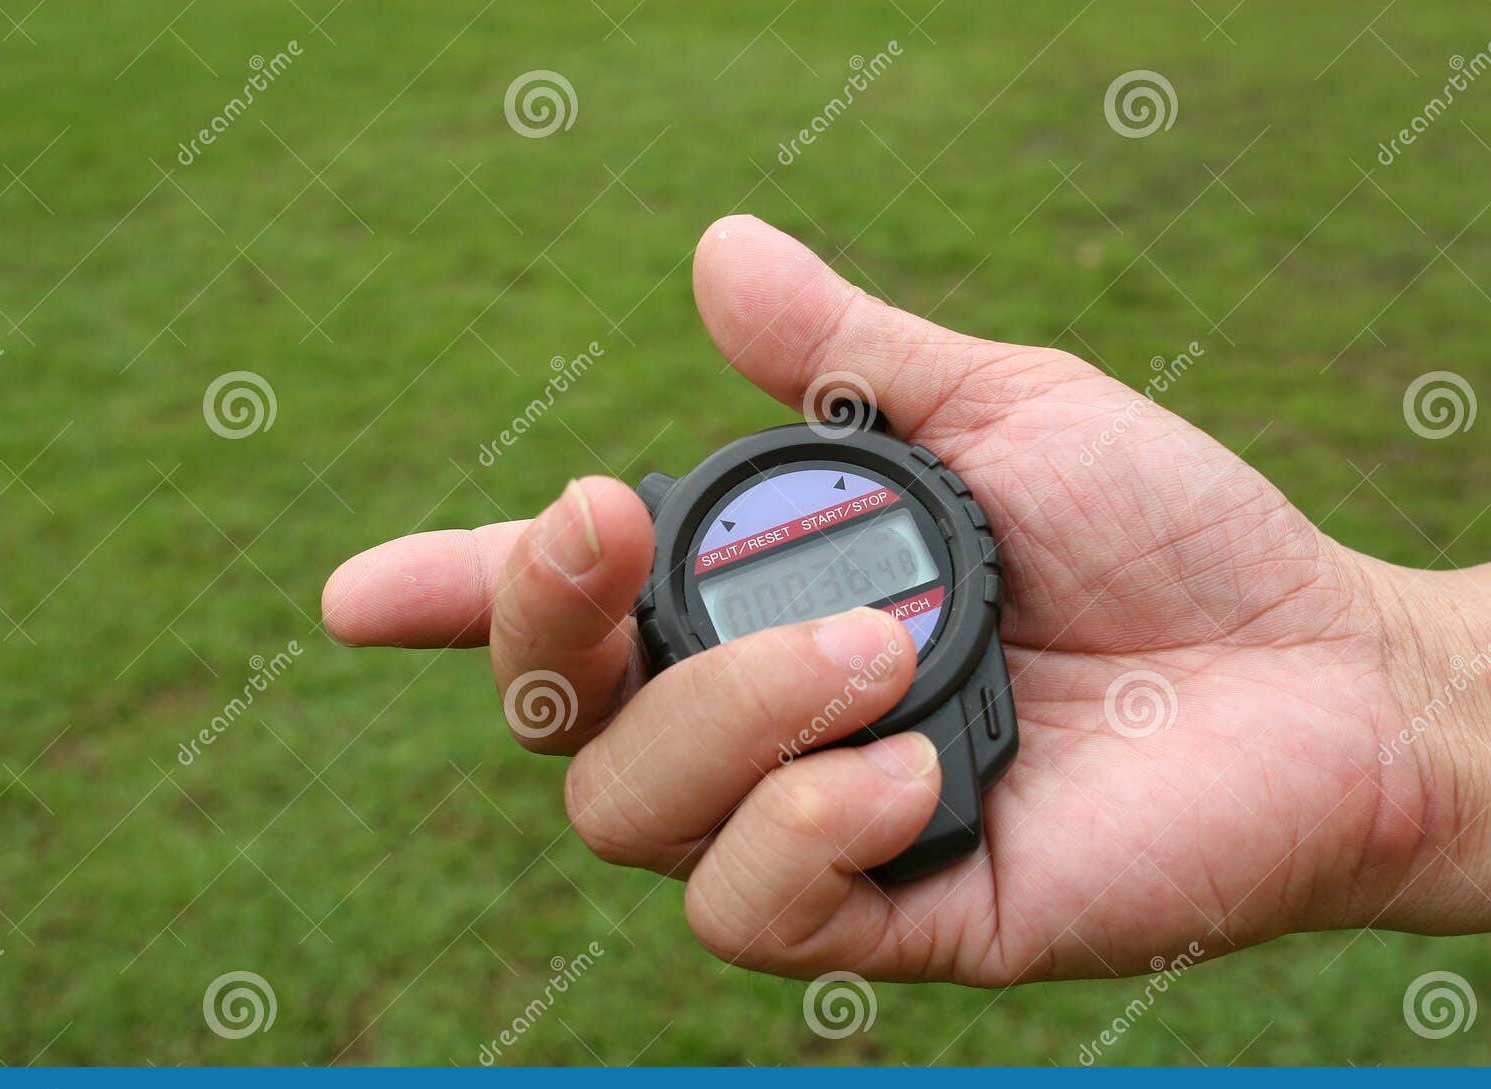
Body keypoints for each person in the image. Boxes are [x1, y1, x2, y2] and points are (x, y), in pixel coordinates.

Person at [322, 215, 1490, 985]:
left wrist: (1397, 688)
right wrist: (1400, 737)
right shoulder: (746, 550)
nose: (849, 618)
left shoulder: (905, 533)